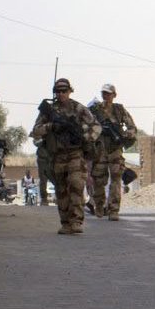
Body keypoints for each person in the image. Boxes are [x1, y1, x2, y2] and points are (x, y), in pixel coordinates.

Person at [31, 79, 99, 235]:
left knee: (76, 185)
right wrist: (51, 126)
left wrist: (84, 137)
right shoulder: (48, 110)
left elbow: (96, 127)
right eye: (58, 91)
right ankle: (65, 223)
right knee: (61, 190)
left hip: (76, 153)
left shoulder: (79, 108)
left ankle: (76, 221)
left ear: (70, 91)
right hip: (57, 155)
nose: (61, 94)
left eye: (64, 91)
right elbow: (35, 130)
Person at [87, 83, 138, 220]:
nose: (106, 96)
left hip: (115, 149)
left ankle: (113, 210)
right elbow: (86, 126)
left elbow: (132, 127)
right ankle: (99, 205)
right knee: (99, 180)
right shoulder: (94, 109)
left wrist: (126, 135)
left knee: (116, 179)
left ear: (114, 95)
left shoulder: (119, 110)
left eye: (108, 93)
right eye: (104, 93)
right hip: (100, 149)